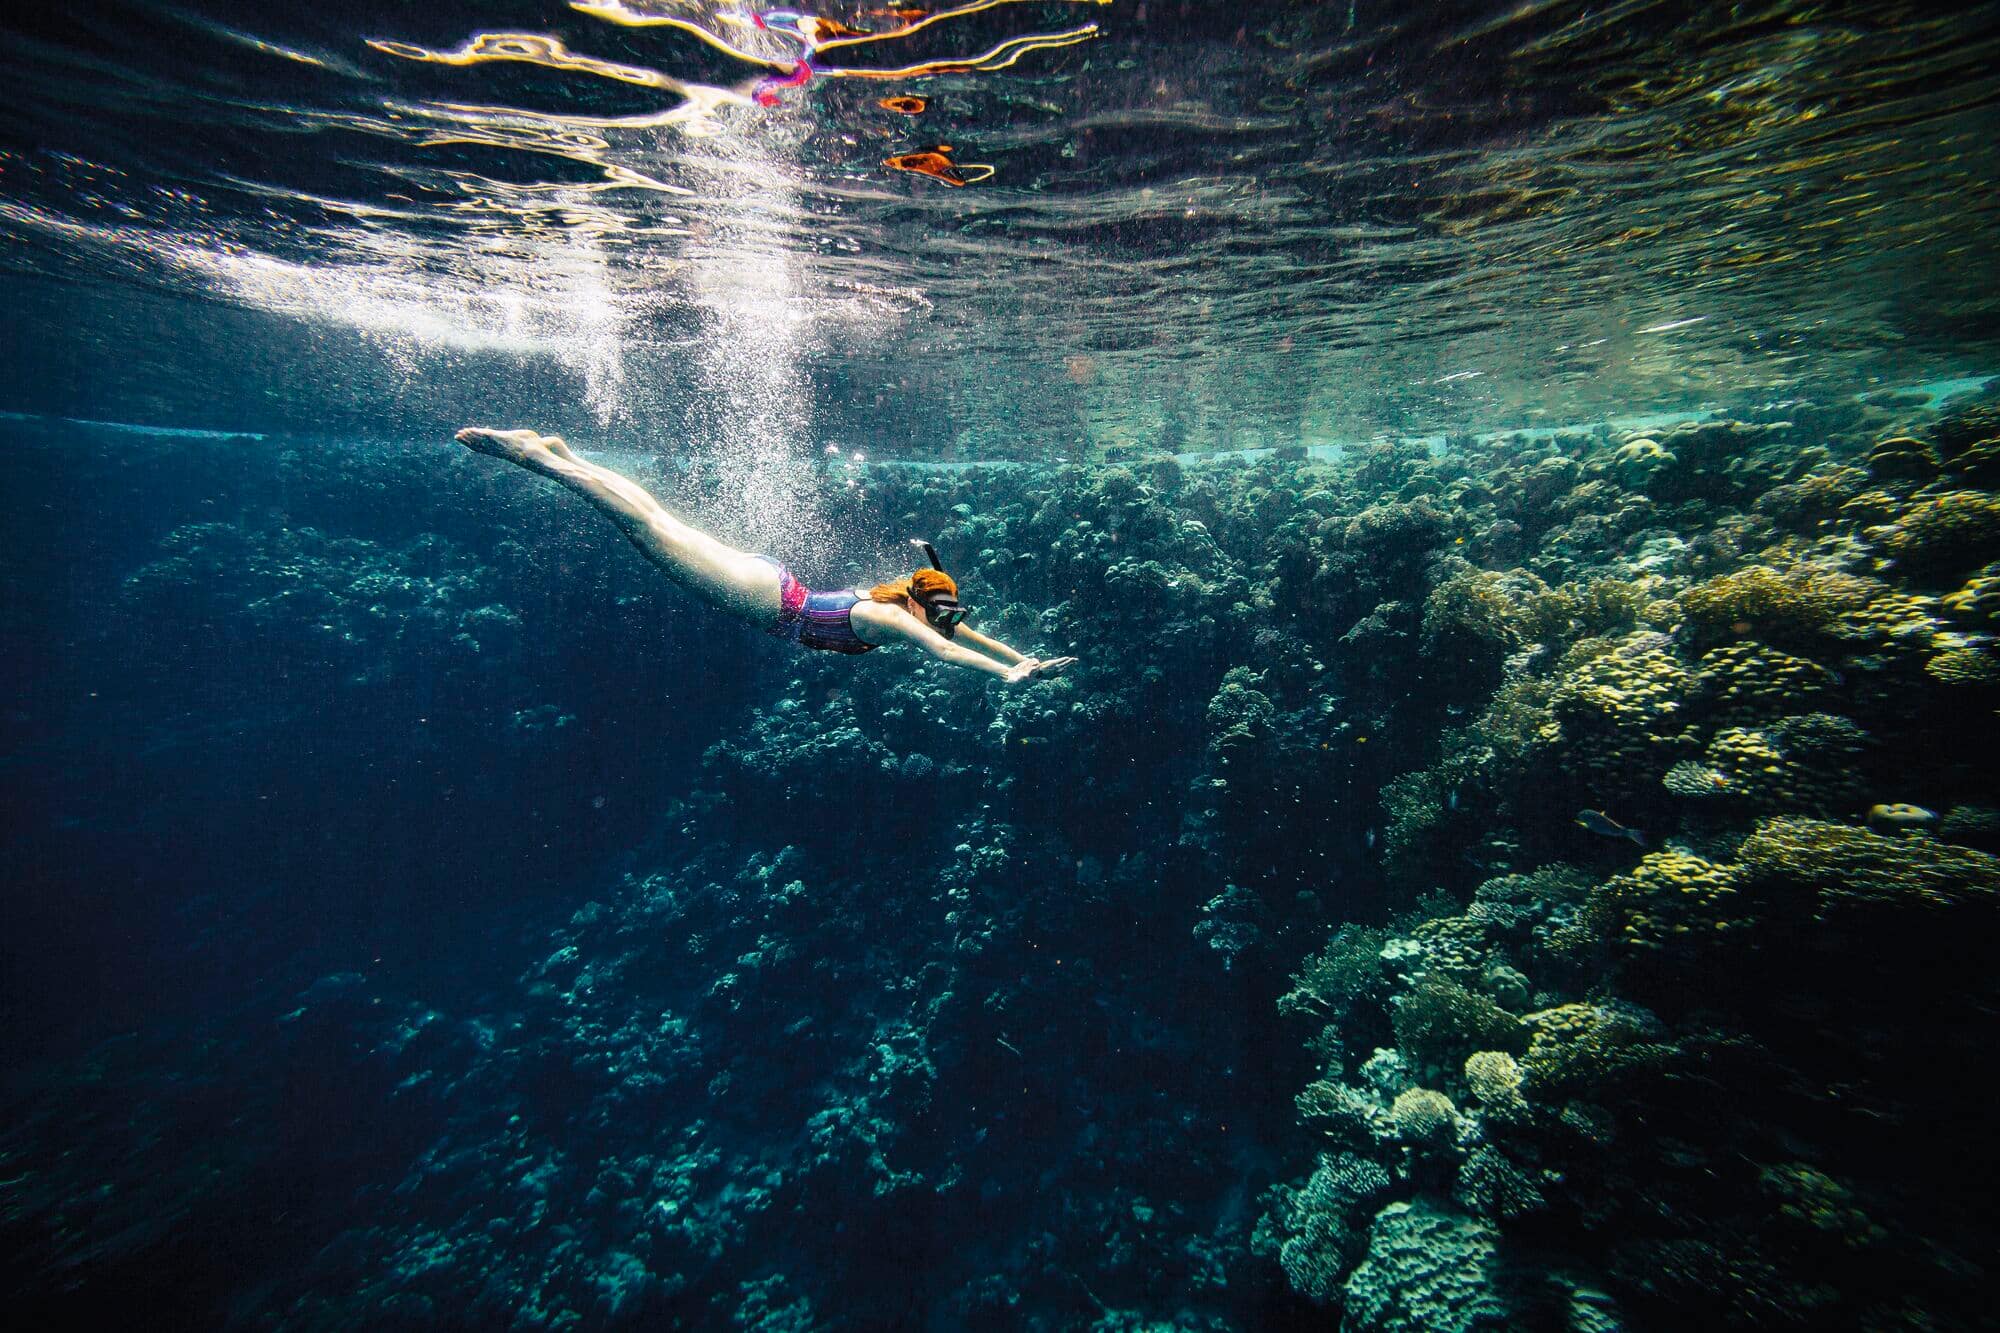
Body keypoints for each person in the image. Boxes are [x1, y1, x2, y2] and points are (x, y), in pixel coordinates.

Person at [454, 427, 1076, 682]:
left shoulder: (906, 602)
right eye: (935, 615)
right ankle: (535, 457)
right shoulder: (891, 618)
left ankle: (563, 456)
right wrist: (1007, 677)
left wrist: (1025, 658)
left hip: (773, 587)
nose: (942, 624)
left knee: (657, 526)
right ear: (917, 603)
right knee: (645, 530)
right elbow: (942, 648)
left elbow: (962, 633)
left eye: (946, 615)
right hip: (764, 599)